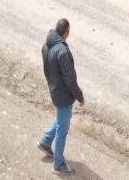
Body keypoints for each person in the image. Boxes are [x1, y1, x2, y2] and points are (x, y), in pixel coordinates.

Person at [38, 18, 84, 175]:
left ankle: (45, 141)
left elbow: (46, 70)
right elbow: (70, 78)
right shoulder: (63, 51)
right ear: (67, 32)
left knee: (61, 117)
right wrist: (79, 96)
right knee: (62, 129)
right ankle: (58, 164)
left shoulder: (46, 45)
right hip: (64, 94)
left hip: (55, 90)